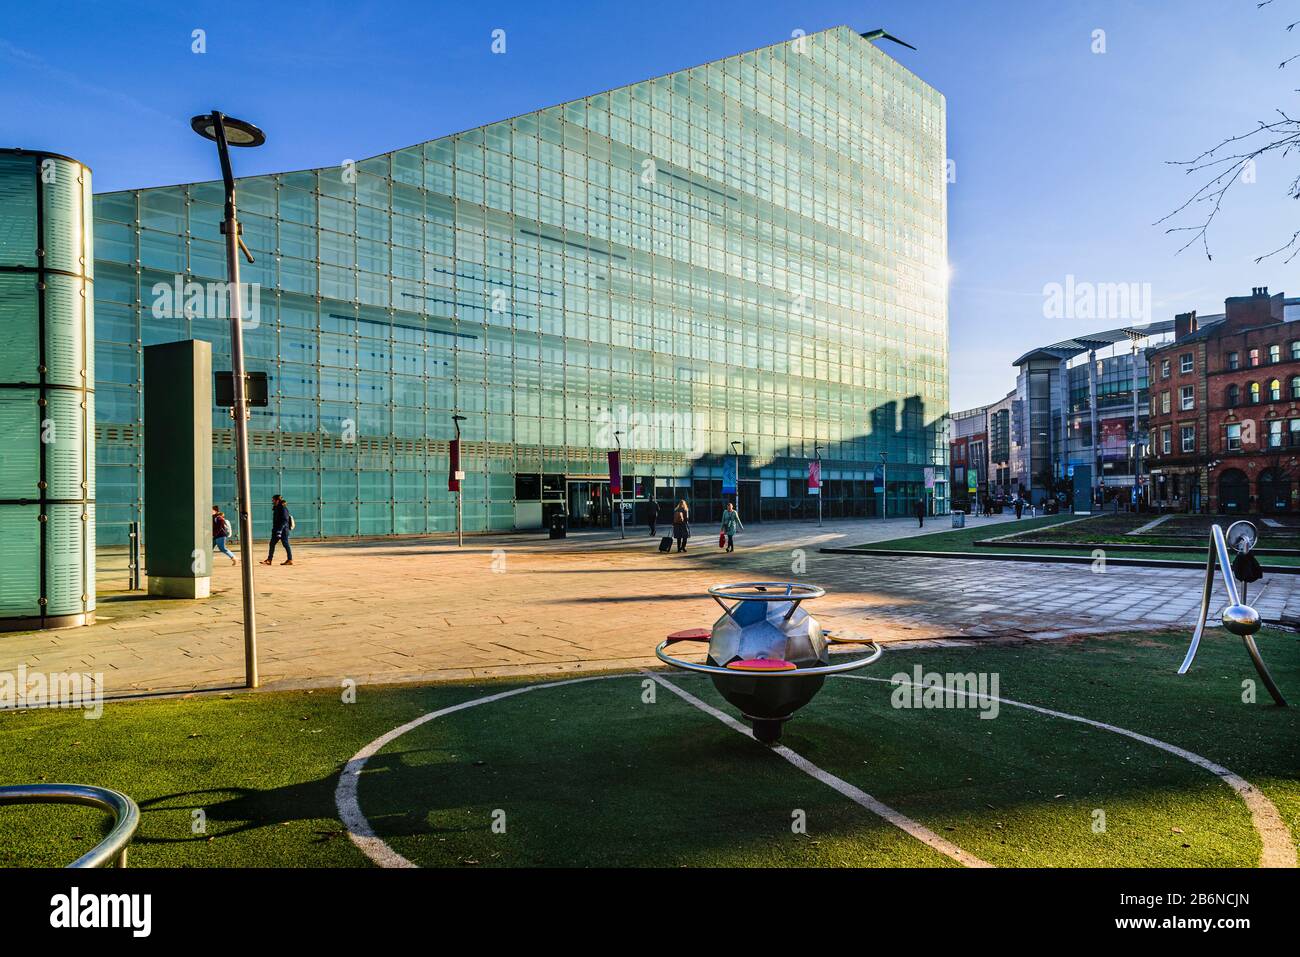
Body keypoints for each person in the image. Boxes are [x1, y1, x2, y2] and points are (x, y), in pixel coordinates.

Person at [260, 494, 294, 566]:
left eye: (273, 500)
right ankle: (269, 560)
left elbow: (285, 520)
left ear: (277, 500)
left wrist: (280, 530)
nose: (272, 501)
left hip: (283, 530)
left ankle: (290, 559)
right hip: (276, 529)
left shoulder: (283, 508)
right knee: (272, 543)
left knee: (285, 544)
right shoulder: (276, 507)